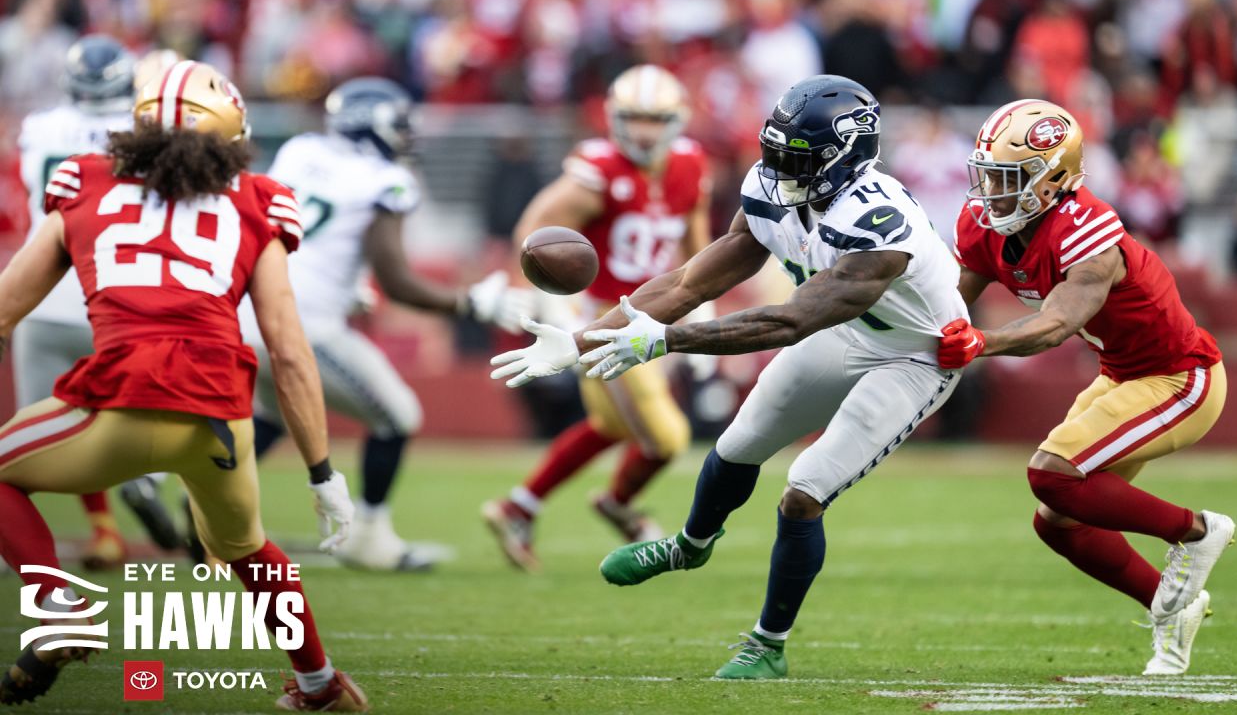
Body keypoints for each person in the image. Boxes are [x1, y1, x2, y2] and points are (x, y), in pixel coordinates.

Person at [490, 75, 968, 678]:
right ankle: (688, 546)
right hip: (843, 333)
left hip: (913, 354)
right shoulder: (771, 188)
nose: (777, 168)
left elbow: (790, 320)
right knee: (736, 447)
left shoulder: (877, 223)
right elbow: (691, 281)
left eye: (796, 158)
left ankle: (767, 646)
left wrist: (663, 340)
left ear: (847, 155)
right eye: (774, 151)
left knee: (804, 490)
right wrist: (584, 337)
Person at [0, 60, 367, 711]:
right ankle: (320, 684)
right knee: (250, 550)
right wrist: (322, 474)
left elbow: (5, 308)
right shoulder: (257, 200)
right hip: (220, 415)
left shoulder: (83, 183)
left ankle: (59, 607)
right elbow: (287, 348)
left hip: (121, 396)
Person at [940, 99, 1232, 676]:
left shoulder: (1086, 225)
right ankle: (1172, 612)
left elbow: (1057, 323)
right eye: (989, 175)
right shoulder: (984, 225)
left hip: (1181, 378)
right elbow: (947, 303)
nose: (992, 192)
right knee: (1058, 519)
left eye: (1009, 178)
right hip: (1123, 374)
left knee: (1051, 472)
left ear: (1053, 180)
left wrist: (983, 343)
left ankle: (1196, 532)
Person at [241, 77, 533, 571]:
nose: (405, 135)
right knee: (397, 416)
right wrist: (469, 304)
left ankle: (208, 504)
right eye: (399, 125)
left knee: (270, 411)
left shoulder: (300, 150)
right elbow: (396, 280)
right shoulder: (386, 181)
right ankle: (368, 538)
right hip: (306, 321)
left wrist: (337, 276)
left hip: (251, 306)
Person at [481, 64, 712, 572]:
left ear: (676, 120)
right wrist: (541, 301)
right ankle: (620, 506)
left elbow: (696, 238)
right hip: (601, 321)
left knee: (609, 425)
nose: (645, 130)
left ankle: (518, 507)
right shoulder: (598, 170)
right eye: (634, 118)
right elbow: (536, 229)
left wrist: (706, 302)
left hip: (652, 313)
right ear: (613, 117)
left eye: (655, 118)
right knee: (668, 438)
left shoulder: (691, 164)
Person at [13, 36, 180, 568]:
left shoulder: (39, 127)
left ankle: (66, 557)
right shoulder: (142, 130)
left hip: (38, 294)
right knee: (150, 413)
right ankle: (148, 481)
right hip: (112, 292)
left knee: (33, 439)